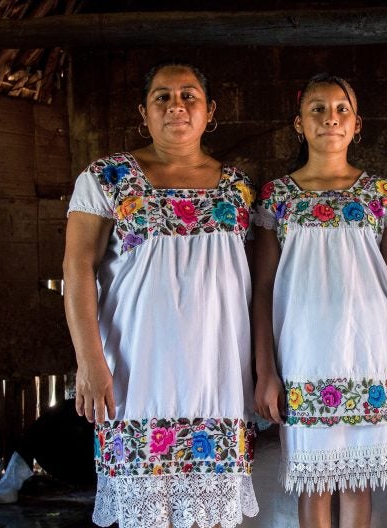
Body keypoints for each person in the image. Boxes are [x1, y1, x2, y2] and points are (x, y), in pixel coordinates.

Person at [63, 60, 258, 528]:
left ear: (210, 112)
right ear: (143, 112)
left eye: (189, 95)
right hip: (137, 374)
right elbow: (77, 266)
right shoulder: (108, 177)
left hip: (217, 376)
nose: (177, 106)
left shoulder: (239, 188)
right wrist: (90, 359)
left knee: (209, 514)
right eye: (162, 97)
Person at [252, 73, 387, 528]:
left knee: (356, 484)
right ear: (299, 124)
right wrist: (266, 371)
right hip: (303, 360)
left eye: (341, 109)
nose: (330, 118)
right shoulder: (277, 197)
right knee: (315, 484)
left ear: (357, 123)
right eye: (317, 109)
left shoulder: (380, 196)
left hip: (369, 357)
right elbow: (263, 290)